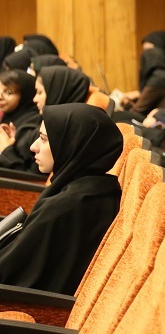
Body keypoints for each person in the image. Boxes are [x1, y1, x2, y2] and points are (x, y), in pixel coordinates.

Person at [0, 103, 122, 293]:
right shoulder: (98, 189)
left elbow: (8, 270)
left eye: (43, 139)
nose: (33, 146)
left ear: (72, 143)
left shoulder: (67, 206)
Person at [0, 70, 41, 171]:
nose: (0, 96)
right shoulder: (10, 116)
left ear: (25, 95)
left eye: (8, 92)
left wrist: (6, 150)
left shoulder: (31, 127)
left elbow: (25, 173)